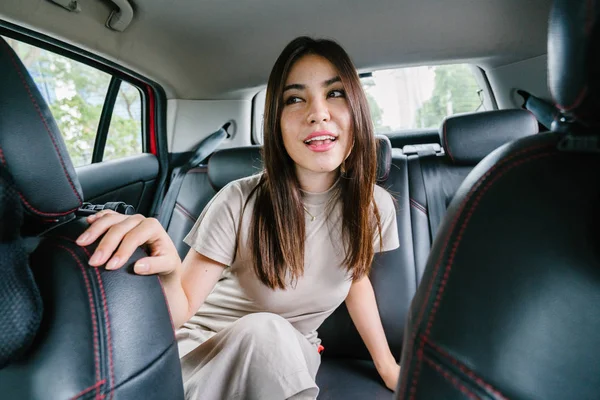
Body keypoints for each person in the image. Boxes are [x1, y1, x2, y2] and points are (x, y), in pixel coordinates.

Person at [76, 36, 400, 399]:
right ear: (276, 123)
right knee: (267, 332)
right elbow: (180, 307)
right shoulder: (238, 201)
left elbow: (355, 280)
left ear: (358, 108)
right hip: (204, 351)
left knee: (276, 338)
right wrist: (166, 270)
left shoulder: (374, 206)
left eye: (335, 93)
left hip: (292, 357)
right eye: (295, 99)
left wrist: (388, 367)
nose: (318, 112)